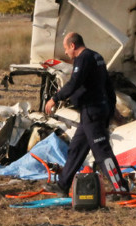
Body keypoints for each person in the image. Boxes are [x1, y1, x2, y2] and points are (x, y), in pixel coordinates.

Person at [43, 32, 130, 197]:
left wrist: (55, 98)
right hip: (92, 112)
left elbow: (74, 83)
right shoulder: (97, 57)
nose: (66, 53)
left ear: (73, 46)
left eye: (66, 49)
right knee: (76, 149)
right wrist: (111, 110)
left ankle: (122, 189)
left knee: (102, 153)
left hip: (92, 112)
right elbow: (108, 86)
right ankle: (62, 185)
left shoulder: (83, 59)